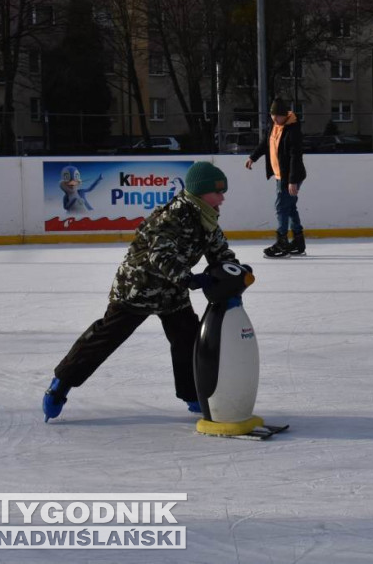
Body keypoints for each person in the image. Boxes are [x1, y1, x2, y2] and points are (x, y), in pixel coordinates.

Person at [43, 161, 245, 421]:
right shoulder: (174, 215)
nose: (223, 198)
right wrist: (189, 279)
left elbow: (219, 249)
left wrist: (233, 268)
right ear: (200, 192)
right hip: (138, 288)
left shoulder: (207, 216)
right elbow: (159, 254)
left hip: (171, 293)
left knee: (188, 340)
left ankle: (193, 395)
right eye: (217, 192)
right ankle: (61, 383)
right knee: (105, 338)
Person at [246, 97, 307, 258]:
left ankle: (282, 242)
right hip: (280, 176)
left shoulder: (293, 129)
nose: (274, 119)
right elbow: (265, 144)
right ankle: (298, 241)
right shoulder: (274, 126)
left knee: (281, 207)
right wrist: (253, 157)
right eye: (272, 116)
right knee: (290, 207)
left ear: (284, 115)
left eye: (277, 117)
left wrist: (292, 181)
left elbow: (295, 156)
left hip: (290, 176)